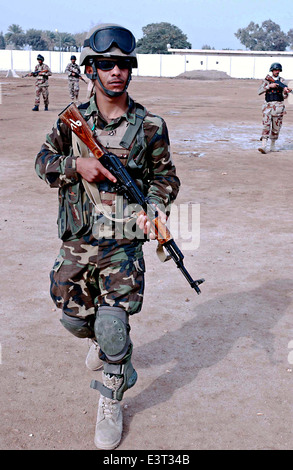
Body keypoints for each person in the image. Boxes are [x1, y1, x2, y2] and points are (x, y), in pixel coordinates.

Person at [35, 23, 180, 450]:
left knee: (115, 326)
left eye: (123, 64)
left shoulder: (150, 125)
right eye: (106, 64)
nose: (116, 71)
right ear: (92, 69)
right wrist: (74, 166)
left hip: (123, 241)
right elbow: (42, 161)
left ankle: (113, 396)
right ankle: (102, 343)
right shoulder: (72, 122)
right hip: (78, 239)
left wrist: (154, 208)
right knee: (72, 317)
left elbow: (165, 177)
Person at [258, 62, 292, 153]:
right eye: (275, 70)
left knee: (276, 128)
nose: (277, 71)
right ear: (272, 70)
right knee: (266, 125)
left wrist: (285, 92)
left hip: (278, 107)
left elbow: (284, 97)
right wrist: (269, 86)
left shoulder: (282, 81)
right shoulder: (266, 80)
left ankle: (272, 146)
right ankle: (264, 146)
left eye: (278, 70)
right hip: (267, 106)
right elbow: (259, 91)